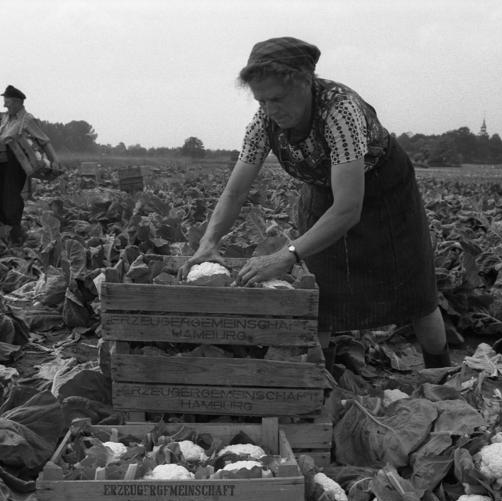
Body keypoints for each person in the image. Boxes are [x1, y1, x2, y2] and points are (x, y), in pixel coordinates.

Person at [182, 37, 451, 368]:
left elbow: (349, 207)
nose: (269, 109)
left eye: (277, 98)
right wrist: (208, 242)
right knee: (321, 296)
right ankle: (317, 385)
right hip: (324, 195)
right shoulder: (263, 122)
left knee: (416, 294)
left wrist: (287, 254)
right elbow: (236, 191)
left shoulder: (340, 112)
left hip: (386, 194)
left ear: (305, 82)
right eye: (261, 100)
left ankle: (442, 376)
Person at [0, 84, 59, 243]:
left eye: (7, 102)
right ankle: (2, 229)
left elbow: (44, 141)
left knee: (11, 194)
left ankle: (15, 232)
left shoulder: (27, 119)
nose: (4, 105)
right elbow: (1, 137)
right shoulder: (6, 117)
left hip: (16, 160)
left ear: (17, 102)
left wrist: (55, 160)